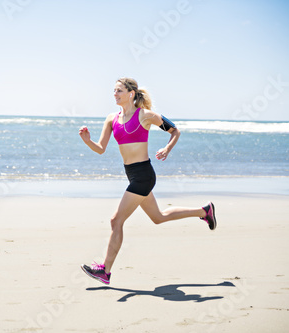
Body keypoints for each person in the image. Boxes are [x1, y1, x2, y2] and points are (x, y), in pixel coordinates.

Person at [79, 77, 217, 285]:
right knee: (158, 217)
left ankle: (105, 271)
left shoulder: (145, 115)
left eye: (119, 91)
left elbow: (174, 130)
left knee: (116, 221)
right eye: (114, 91)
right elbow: (100, 149)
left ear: (131, 93)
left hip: (143, 175)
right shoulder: (111, 119)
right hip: (132, 174)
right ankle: (204, 211)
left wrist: (167, 149)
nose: (114, 94)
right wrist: (88, 141)